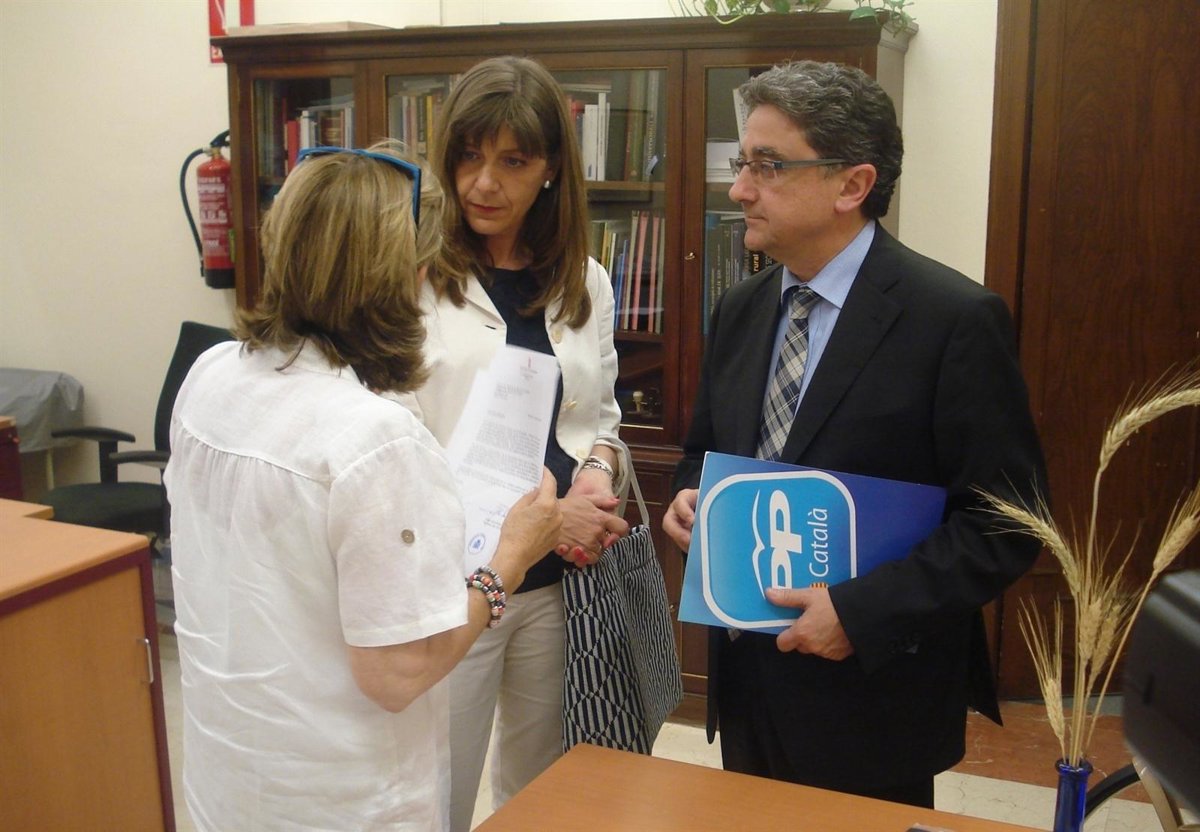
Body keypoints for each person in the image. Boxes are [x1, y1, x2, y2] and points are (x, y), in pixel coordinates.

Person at [662, 61, 1048, 808]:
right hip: (747, 679)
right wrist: (687, 497)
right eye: (743, 164)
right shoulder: (741, 308)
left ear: (852, 184)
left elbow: (1006, 526)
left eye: (768, 166)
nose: (740, 190)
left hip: (872, 698)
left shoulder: (953, 321)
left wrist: (862, 614)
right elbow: (702, 452)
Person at [164, 141, 563, 831]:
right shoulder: (375, 440)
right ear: (407, 277)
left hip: (229, 782)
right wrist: (509, 561)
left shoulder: (211, 375)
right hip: (341, 802)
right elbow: (399, 673)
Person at [392, 56, 631, 831]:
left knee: (541, 793)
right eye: (468, 156)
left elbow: (601, 418)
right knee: (439, 791)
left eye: (513, 162)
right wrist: (545, 522)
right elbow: (396, 447)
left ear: (552, 169)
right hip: (450, 585)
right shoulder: (411, 278)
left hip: (556, 588)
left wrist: (597, 474)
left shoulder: (585, 281)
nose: (483, 184)